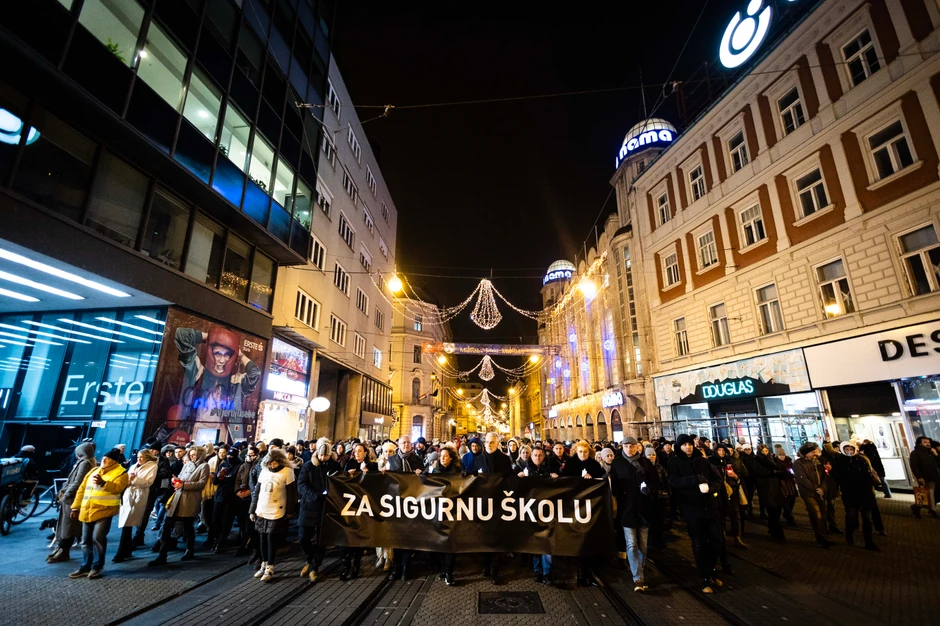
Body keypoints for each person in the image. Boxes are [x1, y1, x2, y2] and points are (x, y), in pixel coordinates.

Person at [669, 434, 724, 594]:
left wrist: (711, 489)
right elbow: (674, 481)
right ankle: (705, 576)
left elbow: (717, 479)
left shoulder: (702, 460)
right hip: (691, 508)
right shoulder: (674, 462)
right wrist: (695, 480)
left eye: (690, 444)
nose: (688, 447)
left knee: (716, 540)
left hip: (709, 506)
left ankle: (712, 568)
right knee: (699, 543)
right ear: (679, 447)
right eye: (684, 445)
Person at [609, 437, 660, 592]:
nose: (629, 449)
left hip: (644, 507)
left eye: (632, 446)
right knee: (631, 544)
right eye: (626, 446)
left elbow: (656, 482)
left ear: (637, 447)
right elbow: (613, 486)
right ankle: (638, 577)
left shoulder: (645, 463)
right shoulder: (617, 463)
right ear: (622, 447)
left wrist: (649, 489)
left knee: (643, 544)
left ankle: (639, 570)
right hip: (626, 508)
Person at [68, 449, 129, 578]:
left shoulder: (121, 473)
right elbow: (82, 490)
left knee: (98, 538)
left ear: (114, 461)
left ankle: (97, 566)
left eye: (108, 459)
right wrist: (75, 508)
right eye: (103, 458)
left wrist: (103, 483)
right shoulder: (94, 471)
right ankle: (85, 566)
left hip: (104, 510)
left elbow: (118, 488)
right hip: (87, 509)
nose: (104, 460)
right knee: (85, 541)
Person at [149, 446, 209, 566]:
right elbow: (181, 477)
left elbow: (201, 483)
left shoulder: (204, 466)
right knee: (167, 525)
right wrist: (176, 481)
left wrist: (184, 485)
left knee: (188, 526)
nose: (192, 457)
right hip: (177, 498)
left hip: (189, 500)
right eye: (190, 454)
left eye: (194, 454)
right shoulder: (187, 464)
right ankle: (162, 554)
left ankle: (189, 549)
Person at [250, 448, 297, 582]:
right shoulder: (264, 471)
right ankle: (263, 563)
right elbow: (257, 492)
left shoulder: (287, 472)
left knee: (271, 538)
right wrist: (252, 510)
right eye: (270, 463)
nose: (272, 465)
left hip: (277, 509)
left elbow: (291, 493)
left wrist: (290, 511)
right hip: (262, 508)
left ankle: (270, 566)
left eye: (274, 463)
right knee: (262, 537)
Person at [298, 439, 340, 582]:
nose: (323, 458)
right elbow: (301, 484)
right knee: (303, 537)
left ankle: (314, 566)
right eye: (321, 455)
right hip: (309, 506)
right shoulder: (308, 466)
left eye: (326, 456)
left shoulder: (334, 466)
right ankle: (309, 559)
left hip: (325, 507)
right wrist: (315, 495)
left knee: (321, 539)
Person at [48, 442, 97, 564]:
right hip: (72, 497)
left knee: (68, 525)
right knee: (66, 524)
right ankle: (61, 548)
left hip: (72, 498)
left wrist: (66, 494)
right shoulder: (86, 462)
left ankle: (64, 550)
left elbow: (78, 481)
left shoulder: (85, 463)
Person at [385, 435, 424, 580]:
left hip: (411, 502)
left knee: (408, 536)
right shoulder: (392, 460)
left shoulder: (418, 460)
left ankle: (407, 566)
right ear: (398, 445)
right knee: (396, 536)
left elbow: (425, 481)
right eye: (403, 443)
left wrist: (420, 475)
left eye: (408, 442)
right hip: (396, 502)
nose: (406, 445)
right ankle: (397, 567)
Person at [831, 441, 880, 551]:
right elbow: (837, 477)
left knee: (867, 518)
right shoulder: (839, 461)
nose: (849, 451)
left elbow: (868, 475)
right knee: (851, 516)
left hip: (865, 493)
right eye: (847, 449)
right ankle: (849, 533)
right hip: (850, 493)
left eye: (851, 449)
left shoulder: (861, 460)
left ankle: (869, 541)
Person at [340, 443, 378, 581]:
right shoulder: (349, 464)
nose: (357, 453)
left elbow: (376, 484)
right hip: (350, 505)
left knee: (359, 536)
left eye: (360, 451)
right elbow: (341, 482)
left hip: (364, 505)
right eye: (355, 451)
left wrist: (368, 474)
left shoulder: (372, 466)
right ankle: (346, 566)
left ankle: (356, 565)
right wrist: (347, 475)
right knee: (348, 536)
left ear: (365, 453)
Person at [114, 449, 158, 562]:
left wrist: (135, 479)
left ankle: (121, 552)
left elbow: (148, 482)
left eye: (142, 457)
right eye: (138, 457)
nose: (139, 459)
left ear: (147, 458)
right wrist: (128, 480)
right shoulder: (133, 466)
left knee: (127, 522)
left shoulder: (152, 466)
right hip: (128, 494)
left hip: (139, 494)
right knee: (126, 523)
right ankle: (126, 550)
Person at [428, 445, 461, 585]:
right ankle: (443, 568)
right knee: (439, 542)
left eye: (446, 456)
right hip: (437, 510)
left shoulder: (458, 471)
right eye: (441, 456)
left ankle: (449, 572)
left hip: (453, 511)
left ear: (451, 458)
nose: (443, 458)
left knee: (450, 542)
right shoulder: (433, 470)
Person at [793, 442, 832, 548]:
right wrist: (816, 489)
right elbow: (802, 479)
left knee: (823, 515)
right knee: (816, 515)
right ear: (806, 453)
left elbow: (825, 476)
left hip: (819, 492)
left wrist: (822, 488)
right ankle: (822, 539)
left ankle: (824, 536)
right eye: (812, 452)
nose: (815, 454)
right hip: (809, 493)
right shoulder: (798, 464)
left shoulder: (818, 462)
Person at [710, 444, 747, 549]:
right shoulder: (712, 462)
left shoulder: (730, 461)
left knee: (735, 513)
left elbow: (742, 474)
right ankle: (722, 536)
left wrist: (735, 476)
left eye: (723, 450)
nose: (721, 452)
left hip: (732, 490)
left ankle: (737, 537)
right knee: (721, 514)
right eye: (719, 450)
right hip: (720, 491)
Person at [210, 446, 243, 553]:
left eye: (232, 456)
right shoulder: (223, 464)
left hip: (231, 498)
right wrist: (218, 476)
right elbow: (215, 481)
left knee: (226, 521)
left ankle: (221, 542)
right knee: (216, 520)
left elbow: (238, 481)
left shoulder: (239, 466)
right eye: (228, 456)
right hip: (220, 496)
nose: (229, 458)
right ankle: (215, 539)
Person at [753, 444, 786, 542]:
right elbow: (761, 472)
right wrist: (773, 472)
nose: (765, 453)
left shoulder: (772, 459)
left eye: (766, 451)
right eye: (763, 451)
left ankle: (772, 529)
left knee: (777, 510)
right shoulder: (757, 460)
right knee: (772, 511)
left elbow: (779, 468)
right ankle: (778, 533)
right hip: (766, 487)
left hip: (775, 487)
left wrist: (776, 471)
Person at [909, 435, 939, 518]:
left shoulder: (931, 452)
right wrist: (919, 477)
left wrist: (936, 454)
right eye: (925, 442)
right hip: (926, 477)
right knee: (930, 493)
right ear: (920, 443)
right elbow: (914, 466)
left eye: (928, 442)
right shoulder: (915, 453)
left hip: (935, 476)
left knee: (928, 495)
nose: (928, 444)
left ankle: (917, 507)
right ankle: (932, 510)